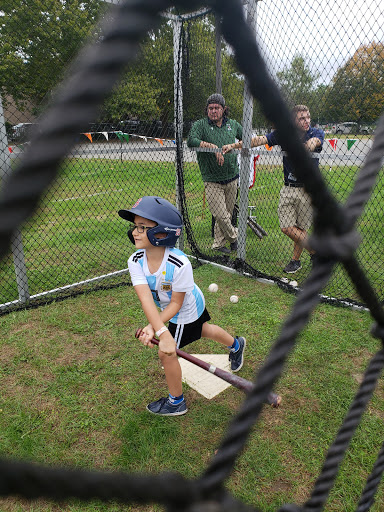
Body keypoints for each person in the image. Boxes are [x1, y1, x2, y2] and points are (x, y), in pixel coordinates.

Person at [118, 196, 246, 416]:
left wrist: (160, 332)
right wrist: (155, 327)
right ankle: (236, 345)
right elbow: (146, 299)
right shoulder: (135, 260)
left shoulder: (179, 263)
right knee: (202, 330)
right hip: (174, 305)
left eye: (142, 227)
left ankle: (176, 402)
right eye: (134, 227)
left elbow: (177, 303)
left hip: (186, 307)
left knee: (166, 353)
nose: (135, 232)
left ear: (162, 233)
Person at [223, 105, 325, 274]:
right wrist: (234, 146)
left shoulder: (315, 133)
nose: (307, 121)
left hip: (309, 188)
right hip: (289, 187)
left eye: (308, 117)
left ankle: (295, 261)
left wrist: (303, 148)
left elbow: (314, 143)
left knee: (301, 228)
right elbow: (259, 140)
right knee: (287, 227)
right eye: (302, 118)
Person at [187, 94, 243, 254]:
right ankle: (235, 237)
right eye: (210, 108)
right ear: (207, 110)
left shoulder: (232, 124)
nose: (213, 111)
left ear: (223, 109)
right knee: (220, 213)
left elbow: (246, 139)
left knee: (227, 214)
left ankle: (218, 244)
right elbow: (191, 140)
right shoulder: (201, 125)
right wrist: (212, 147)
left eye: (217, 108)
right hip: (211, 179)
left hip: (232, 176)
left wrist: (233, 145)